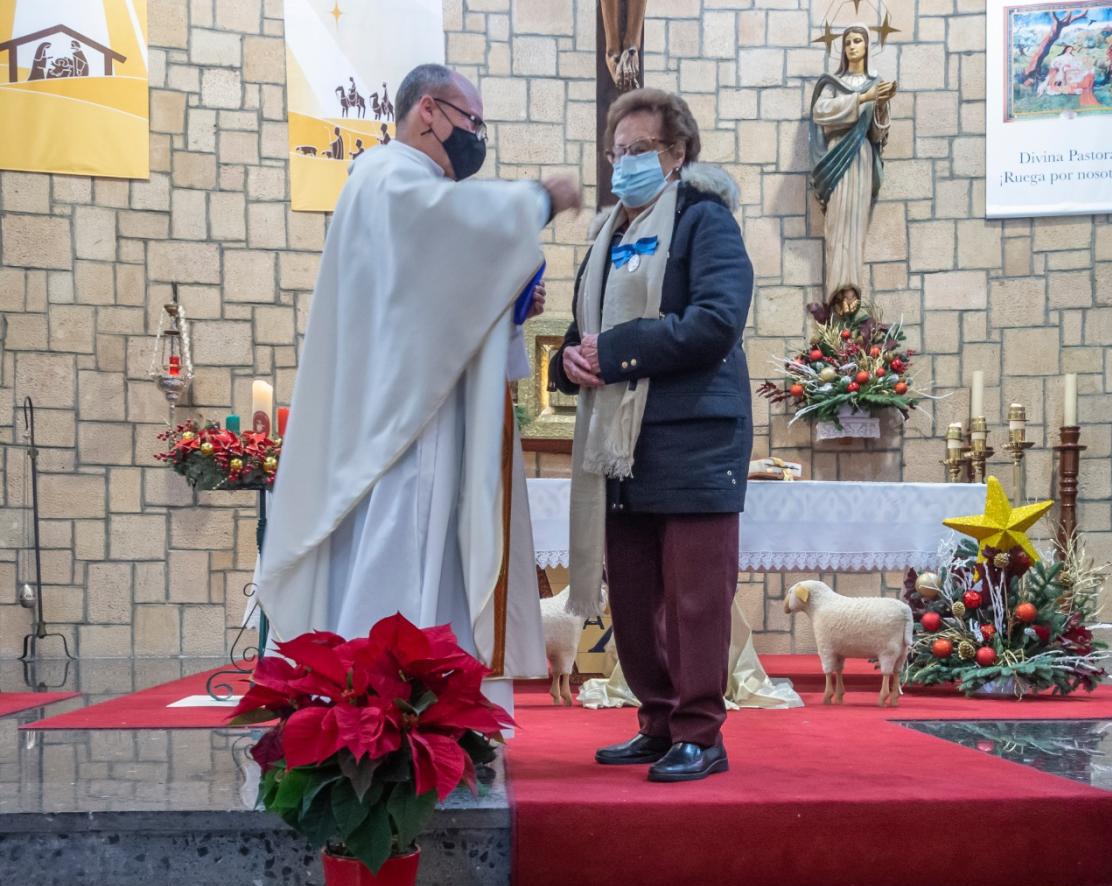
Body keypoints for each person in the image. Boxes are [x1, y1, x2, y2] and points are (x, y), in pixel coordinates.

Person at [257, 64, 580, 714]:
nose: (476, 137)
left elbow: (427, 302)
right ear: (428, 111)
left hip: (412, 412)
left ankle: (422, 717)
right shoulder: (392, 176)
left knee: (424, 558)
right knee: (403, 557)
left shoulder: (394, 182)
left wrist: (508, 302)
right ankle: (388, 720)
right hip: (407, 429)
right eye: (472, 122)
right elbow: (446, 229)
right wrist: (537, 198)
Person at [550, 88, 754, 782]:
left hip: (695, 439)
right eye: (617, 152)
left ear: (677, 154)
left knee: (695, 600)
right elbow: (584, 334)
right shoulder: (606, 235)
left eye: (640, 150)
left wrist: (616, 351)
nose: (625, 163)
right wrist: (569, 360)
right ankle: (659, 721)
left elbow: (717, 321)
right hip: (620, 445)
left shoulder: (705, 221)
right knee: (634, 598)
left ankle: (701, 732)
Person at [808, 24, 896, 310]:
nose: (852, 46)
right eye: (848, 42)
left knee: (855, 226)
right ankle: (836, 292)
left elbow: (877, 135)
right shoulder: (834, 84)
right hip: (837, 158)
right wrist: (863, 99)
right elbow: (821, 113)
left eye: (858, 41)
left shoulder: (875, 82)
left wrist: (880, 105)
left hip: (860, 158)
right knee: (836, 224)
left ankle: (852, 292)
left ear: (867, 46)